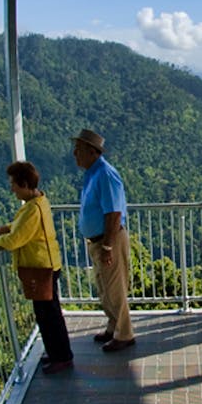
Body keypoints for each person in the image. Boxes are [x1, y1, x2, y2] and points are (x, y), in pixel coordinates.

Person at [0, 162, 74, 374]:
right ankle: (57, 353)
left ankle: (62, 357)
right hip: (45, 266)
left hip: (42, 268)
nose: (12, 188)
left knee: (49, 315)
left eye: (14, 184)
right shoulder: (37, 201)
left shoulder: (33, 209)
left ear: (23, 184)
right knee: (47, 314)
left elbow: (16, 238)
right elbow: (18, 227)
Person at [71, 128, 135, 351]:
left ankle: (124, 334)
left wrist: (108, 245)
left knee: (114, 288)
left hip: (109, 240)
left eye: (78, 150)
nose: (74, 154)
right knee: (104, 287)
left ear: (91, 151)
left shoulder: (105, 174)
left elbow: (114, 213)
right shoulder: (92, 173)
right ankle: (113, 326)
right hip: (98, 241)